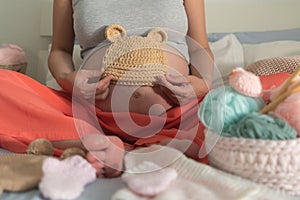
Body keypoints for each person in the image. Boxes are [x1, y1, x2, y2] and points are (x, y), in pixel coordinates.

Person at [0, 0, 213, 177]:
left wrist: (202, 84)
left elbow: (201, 47)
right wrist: (67, 79)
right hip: (90, 117)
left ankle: (144, 148)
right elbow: (60, 50)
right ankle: (105, 145)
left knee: (233, 108)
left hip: (178, 115)